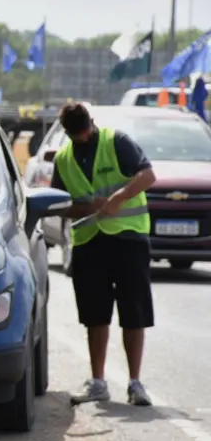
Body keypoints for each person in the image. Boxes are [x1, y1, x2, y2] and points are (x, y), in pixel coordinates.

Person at [51, 102, 156, 407]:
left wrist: (119, 197)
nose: (83, 139)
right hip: (88, 243)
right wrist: (92, 206)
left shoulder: (116, 142)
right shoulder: (64, 159)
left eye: (85, 133)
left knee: (133, 313)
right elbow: (61, 206)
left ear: (92, 123)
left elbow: (148, 176)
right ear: (67, 133)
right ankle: (98, 382)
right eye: (76, 135)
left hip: (128, 239)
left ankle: (135, 383)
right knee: (95, 316)